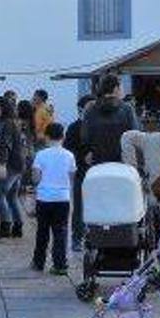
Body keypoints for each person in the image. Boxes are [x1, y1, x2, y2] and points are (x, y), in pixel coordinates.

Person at [30, 123, 76, 275]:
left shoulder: (41, 155)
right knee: (60, 232)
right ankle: (60, 264)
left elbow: (36, 178)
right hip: (62, 198)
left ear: (46, 136)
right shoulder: (69, 155)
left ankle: (38, 262)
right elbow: (72, 178)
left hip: (44, 198)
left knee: (42, 231)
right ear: (63, 137)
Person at [82, 74, 140, 165]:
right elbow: (135, 134)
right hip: (123, 160)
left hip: (98, 159)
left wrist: (88, 151)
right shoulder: (127, 109)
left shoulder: (90, 109)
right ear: (116, 88)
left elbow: (85, 136)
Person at [63, 95, 96, 253]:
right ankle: (77, 238)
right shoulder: (74, 127)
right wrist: (82, 157)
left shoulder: (100, 125)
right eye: (89, 106)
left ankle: (97, 236)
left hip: (99, 173)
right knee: (79, 207)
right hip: (81, 171)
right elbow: (67, 150)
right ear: (82, 109)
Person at [0, 96, 25, 241]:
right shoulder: (14, 122)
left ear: (3, 108)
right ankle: (18, 227)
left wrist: (2, 164)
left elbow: (6, 145)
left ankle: (6, 227)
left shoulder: (8, 124)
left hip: (10, 164)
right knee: (12, 197)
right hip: (19, 164)